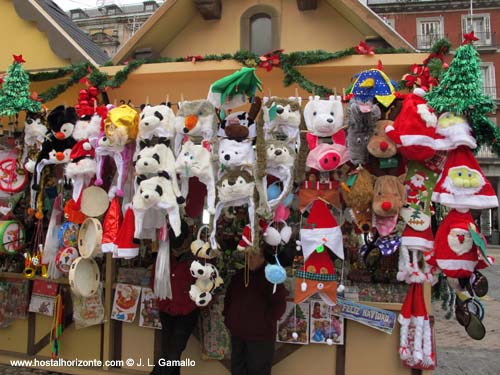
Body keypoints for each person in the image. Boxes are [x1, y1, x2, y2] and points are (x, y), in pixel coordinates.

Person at [223, 251, 288, 375]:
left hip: (260, 337)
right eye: (247, 255)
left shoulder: (272, 276)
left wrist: (264, 322)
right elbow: (229, 298)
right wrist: (229, 317)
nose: (249, 259)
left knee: (258, 371)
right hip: (238, 334)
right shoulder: (239, 275)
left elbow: (279, 305)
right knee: (237, 370)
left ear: (262, 257)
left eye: (253, 255)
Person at [151, 221, 198, 375]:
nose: (177, 248)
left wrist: (191, 303)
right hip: (167, 310)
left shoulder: (196, 259)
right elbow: (155, 281)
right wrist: (163, 301)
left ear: (186, 240)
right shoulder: (164, 256)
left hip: (186, 313)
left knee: (173, 351)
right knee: (169, 351)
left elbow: (205, 286)